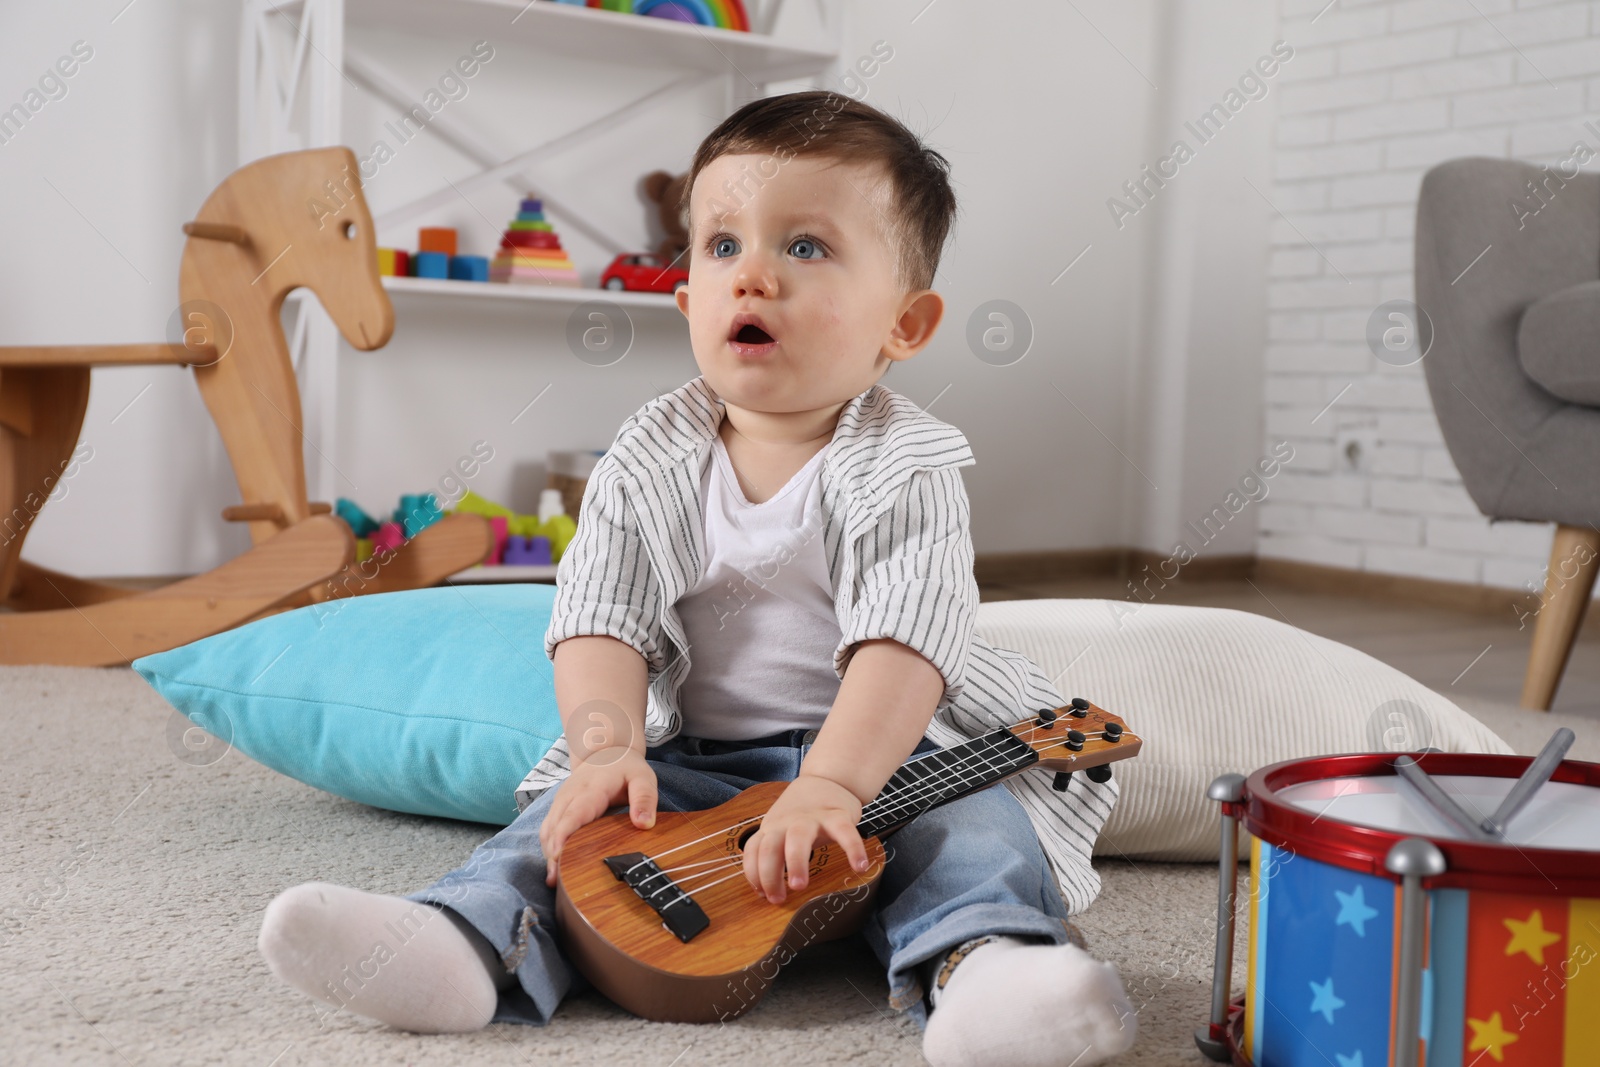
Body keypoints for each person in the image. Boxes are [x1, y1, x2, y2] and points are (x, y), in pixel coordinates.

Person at [258, 89, 1137, 1067]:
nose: (753, 274)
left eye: (805, 247)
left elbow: (906, 641)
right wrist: (604, 748)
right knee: (559, 830)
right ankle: (460, 940)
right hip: (696, 751)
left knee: (975, 829)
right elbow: (602, 617)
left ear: (905, 323)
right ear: (686, 303)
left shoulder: (910, 463)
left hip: (888, 754)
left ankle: (987, 967)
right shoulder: (645, 455)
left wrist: (835, 784)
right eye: (721, 246)